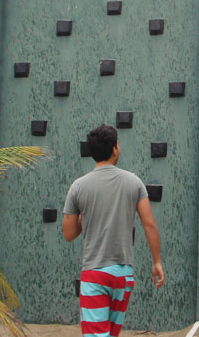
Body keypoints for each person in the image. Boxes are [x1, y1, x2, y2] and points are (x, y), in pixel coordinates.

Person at [63, 124, 164, 337]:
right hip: (123, 276)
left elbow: (69, 233)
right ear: (115, 149)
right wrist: (156, 262)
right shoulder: (134, 182)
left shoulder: (78, 186)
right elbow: (150, 225)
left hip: (95, 274)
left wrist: (86, 210)